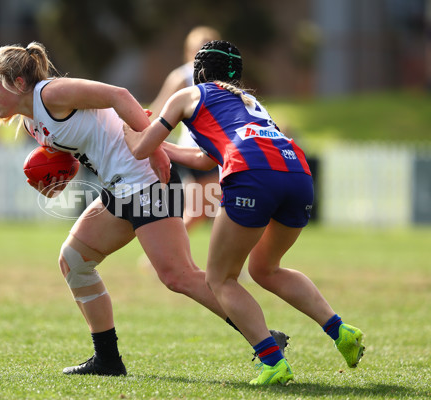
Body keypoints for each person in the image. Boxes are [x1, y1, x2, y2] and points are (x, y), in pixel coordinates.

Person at [0, 41, 289, 376]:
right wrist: (59, 175)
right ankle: (107, 359)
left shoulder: (51, 94)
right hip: (120, 188)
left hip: (147, 181)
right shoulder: (30, 123)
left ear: (19, 83)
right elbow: (83, 142)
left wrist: (152, 147)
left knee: (178, 276)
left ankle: (263, 338)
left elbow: (120, 95)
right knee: (75, 261)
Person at [123, 40, 365, 385]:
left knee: (220, 279)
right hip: (298, 175)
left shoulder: (189, 95)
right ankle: (341, 331)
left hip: (253, 176)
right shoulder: (250, 102)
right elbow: (204, 159)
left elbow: (141, 148)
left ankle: (272, 361)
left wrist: (129, 134)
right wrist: (164, 146)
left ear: (198, 71)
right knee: (266, 269)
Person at [149, 26, 222, 231]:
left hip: (218, 149)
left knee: (209, 208)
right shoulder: (182, 76)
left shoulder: (221, 77)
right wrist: (141, 131)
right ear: (190, 51)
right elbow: (159, 110)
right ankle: (166, 253)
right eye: (198, 48)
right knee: (210, 207)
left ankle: (169, 254)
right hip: (196, 150)